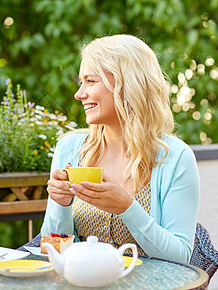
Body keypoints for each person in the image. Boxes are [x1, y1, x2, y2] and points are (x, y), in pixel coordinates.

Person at [41, 34, 199, 264]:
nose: (79, 94)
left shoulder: (175, 157)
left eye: (90, 81)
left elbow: (181, 257)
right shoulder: (70, 149)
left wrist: (127, 208)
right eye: (81, 82)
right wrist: (62, 204)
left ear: (127, 84)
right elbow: (50, 247)